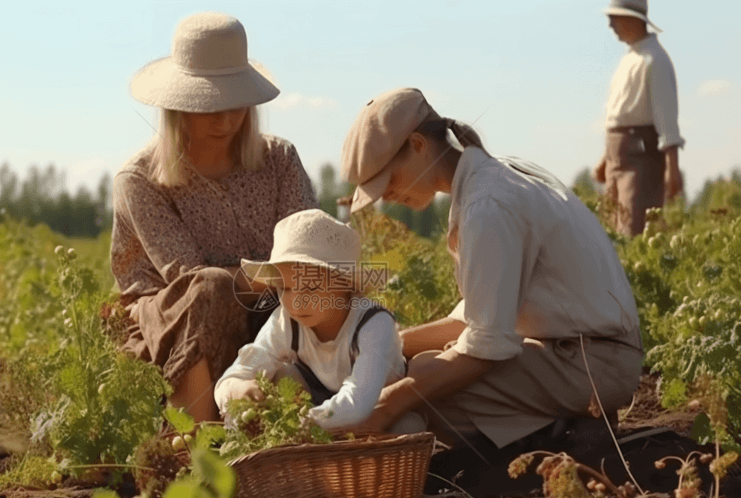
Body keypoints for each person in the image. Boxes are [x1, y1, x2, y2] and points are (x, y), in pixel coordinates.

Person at [340, 87, 643, 455]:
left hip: (592, 363)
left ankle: (555, 428)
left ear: (418, 145)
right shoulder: (489, 180)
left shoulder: (487, 205)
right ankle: (557, 419)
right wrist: (384, 343)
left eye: (388, 181)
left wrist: (389, 403)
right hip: (583, 352)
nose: (386, 197)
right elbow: (475, 320)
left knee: (421, 392)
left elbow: (485, 343)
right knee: (418, 368)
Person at [111, 13, 317, 422]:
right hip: (170, 326)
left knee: (336, 297)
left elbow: (311, 255)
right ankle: (191, 447)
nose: (226, 121)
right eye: (210, 107)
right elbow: (190, 279)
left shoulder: (278, 159)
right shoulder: (140, 179)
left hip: (272, 311)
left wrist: (298, 279)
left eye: (235, 105)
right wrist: (284, 274)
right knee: (211, 286)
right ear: (178, 107)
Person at [214, 209, 425, 433]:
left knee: (409, 427)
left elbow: (358, 405)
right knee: (284, 376)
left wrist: (297, 426)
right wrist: (238, 388)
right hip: (317, 414)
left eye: (311, 287)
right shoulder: (287, 322)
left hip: (378, 413)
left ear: (345, 285)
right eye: (284, 288)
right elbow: (231, 378)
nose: (296, 302)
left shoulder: (374, 323)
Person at [592, 0, 684, 236]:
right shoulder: (629, 59)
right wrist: (607, 158)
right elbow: (619, 115)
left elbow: (667, 117)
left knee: (633, 228)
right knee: (610, 229)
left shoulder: (655, 59)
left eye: (615, 17)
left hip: (640, 159)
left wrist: (671, 168)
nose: (610, 24)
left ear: (632, 18)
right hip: (618, 158)